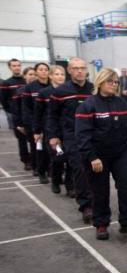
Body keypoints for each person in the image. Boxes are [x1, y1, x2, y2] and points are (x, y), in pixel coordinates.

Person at [75, 68, 127, 240]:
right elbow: (82, 135)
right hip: (97, 156)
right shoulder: (88, 105)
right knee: (100, 191)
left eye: (116, 82)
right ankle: (101, 223)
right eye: (110, 81)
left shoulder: (122, 104)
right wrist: (92, 157)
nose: (114, 85)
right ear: (100, 82)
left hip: (120, 154)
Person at [47, 57, 94, 223]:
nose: (80, 71)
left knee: (95, 171)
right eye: (76, 68)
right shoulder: (61, 92)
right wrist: (53, 135)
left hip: (93, 137)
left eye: (82, 68)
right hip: (72, 137)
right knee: (80, 169)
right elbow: (52, 115)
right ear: (70, 70)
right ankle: (86, 206)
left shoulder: (94, 89)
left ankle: (96, 200)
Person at [33, 65, 70, 194]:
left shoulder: (69, 91)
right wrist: (37, 131)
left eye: (62, 74)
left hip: (68, 130)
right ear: (51, 76)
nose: (60, 77)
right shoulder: (44, 93)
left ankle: (71, 187)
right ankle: (55, 180)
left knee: (71, 159)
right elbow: (38, 113)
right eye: (57, 74)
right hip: (51, 130)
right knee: (58, 158)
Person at [22, 63, 50, 181]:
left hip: (51, 123)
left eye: (46, 69)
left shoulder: (54, 86)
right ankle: (40, 171)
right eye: (41, 69)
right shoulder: (30, 87)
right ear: (36, 72)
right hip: (37, 124)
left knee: (52, 149)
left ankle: (51, 170)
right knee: (39, 149)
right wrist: (33, 126)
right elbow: (27, 108)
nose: (43, 72)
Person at [1, 58, 31, 170]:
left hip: (29, 115)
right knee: (22, 140)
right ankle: (26, 161)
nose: (17, 67)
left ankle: (37, 160)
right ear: (10, 67)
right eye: (14, 66)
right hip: (17, 116)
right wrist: (13, 112)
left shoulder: (27, 80)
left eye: (18, 65)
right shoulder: (6, 83)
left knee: (33, 140)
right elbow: (3, 101)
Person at [11, 67, 36, 172]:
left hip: (38, 121)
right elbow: (16, 109)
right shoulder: (20, 91)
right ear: (24, 76)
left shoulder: (41, 89)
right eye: (30, 74)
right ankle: (28, 162)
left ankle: (41, 164)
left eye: (34, 74)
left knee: (38, 145)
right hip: (25, 121)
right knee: (25, 143)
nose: (33, 76)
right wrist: (19, 124)